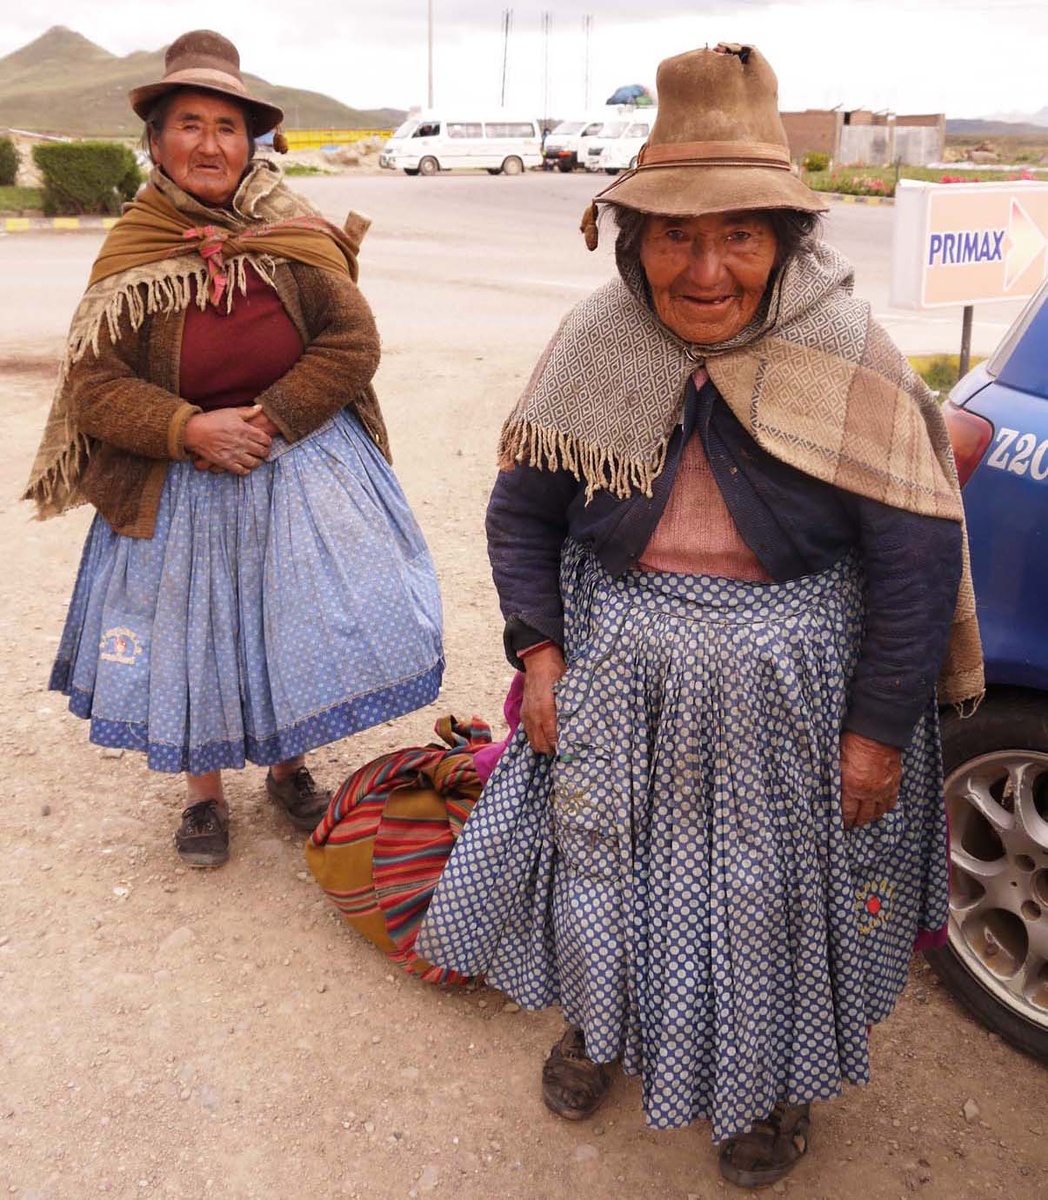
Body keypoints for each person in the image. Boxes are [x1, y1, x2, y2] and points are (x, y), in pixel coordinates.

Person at [416, 43, 983, 1188]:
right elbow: (520, 513)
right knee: (598, 865)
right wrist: (537, 650)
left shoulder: (850, 355)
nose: (706, 266)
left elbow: (916, 560)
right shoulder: (594, 343)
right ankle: (602, 1024)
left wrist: (875, 732)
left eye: (740, 233)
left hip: (792, 689)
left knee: (763, 900)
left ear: (787, 241)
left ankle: (762, 1090)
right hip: (614, 672)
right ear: (632, 240)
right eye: (675, 232)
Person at [22, 30, 444, 868]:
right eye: (189, 124)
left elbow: (351, 342)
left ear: (249, 140)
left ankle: (289, 767)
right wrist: (189, 430)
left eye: (226, 125)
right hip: (177, 480)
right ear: (155, 141)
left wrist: (274, 416)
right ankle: (204, 797)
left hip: (293, 465)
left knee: (287, 620)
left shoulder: (293, 232)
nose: (209, 142)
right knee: (191, 633)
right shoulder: (132, 252)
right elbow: (95, 385)